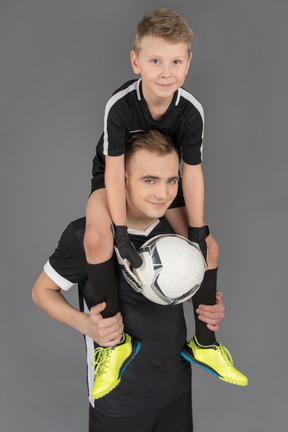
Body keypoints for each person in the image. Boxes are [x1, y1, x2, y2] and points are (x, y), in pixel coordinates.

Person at [83, 8, 247, 395]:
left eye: (176, 61)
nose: (165, 71)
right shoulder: (120, 105)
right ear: (136, 61)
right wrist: (121, 232)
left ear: (189, 63)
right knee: (96, 238)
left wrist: (197, 231)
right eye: (155, 61)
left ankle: (205, 343)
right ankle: (114, 345)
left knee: (210, 249)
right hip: (118, 177)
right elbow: (112, 170)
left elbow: (191, 173)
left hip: (163, 185)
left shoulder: (190, 111)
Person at [32, 130, 227, 432]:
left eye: (171, 180)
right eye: (149, 180)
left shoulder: (175, 227)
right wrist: (85, 324)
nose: (162, 193)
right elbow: (42, 291)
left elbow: (178, 288)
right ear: (122, 179)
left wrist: (204, 303)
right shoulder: (85, 235)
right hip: (119, 399)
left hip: (175, 385)